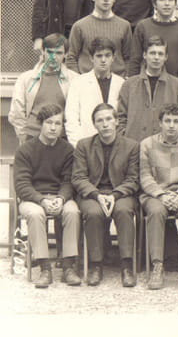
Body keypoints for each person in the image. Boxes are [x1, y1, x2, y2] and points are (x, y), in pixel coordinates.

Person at [72, 103, 139, 287]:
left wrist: (115, 195)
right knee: (93, 213)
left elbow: (133, 179)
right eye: (100, 120)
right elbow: (78, 177)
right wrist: (96, 195)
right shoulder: (84, 145)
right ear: (94, 124)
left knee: (124, 211)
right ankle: (95, 265)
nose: (105, 124)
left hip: (121, 193)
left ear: (116, 121)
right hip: (93, 194)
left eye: (109, 119)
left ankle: (126, 265)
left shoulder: (131, 146)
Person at [14, 104, 81, 288]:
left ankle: (68, 266)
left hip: (59, 196)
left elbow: (69, 180)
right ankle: (45, 268)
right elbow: (22, 185)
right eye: (49, 122)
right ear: (40, 124)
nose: (53, 127)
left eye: (57, 123)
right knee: (36, 214)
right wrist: (41, 200)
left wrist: (61, 198)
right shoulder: (25, 150)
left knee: (72, 212)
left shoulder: (67, 150)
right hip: (33, 199)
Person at [139, 103, 178, 290]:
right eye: (167, 121)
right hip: (155, 194)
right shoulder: (147, 144)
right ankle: (157, 266)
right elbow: (144, 176)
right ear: (160, 123)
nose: (172, 125)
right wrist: (160, 194)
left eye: (176, 121)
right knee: (156, 212)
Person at [10, 33, 77, 144]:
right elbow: (17, 111)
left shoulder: (74, 79)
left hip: (62, 139)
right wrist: (23, 136)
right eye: (50, 52)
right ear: (43, 52)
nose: (53, 57)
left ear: (65, 54)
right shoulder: (26, 78)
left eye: (58, 53)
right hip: (32, 136)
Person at [117, 35, 178, 142]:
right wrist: (126, 139)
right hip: (134, 145)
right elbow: (120, 118)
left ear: (166, 57)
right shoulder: (129, 85)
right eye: (152, 53)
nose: (156, 57)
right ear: (145, 55)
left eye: (160, 54)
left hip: (166, 146)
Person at [66, 0, 132, 77]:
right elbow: (71, 58)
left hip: (117, 80)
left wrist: (125, 78)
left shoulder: (124, 25)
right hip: (87, 80)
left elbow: (129, 58)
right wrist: (78, 79)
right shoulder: (79, 26)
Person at [65, 38, 125, 146]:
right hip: (87, 144)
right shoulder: (78, 82)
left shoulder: (121, 83)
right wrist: (78, 145)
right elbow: (71, 118)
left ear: (113, 57)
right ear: (91, 58)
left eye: (107, 55)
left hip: (115, 145)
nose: (103, 60)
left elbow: (124, 118)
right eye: (99, 56)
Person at [128, 0, 178, 77]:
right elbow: (135, 59)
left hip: (174, 81)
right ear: (154, 4)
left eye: (170, 0)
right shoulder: (143, 26)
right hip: (147, 80)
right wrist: (132, 80)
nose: (167, 3)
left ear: (175, 4)